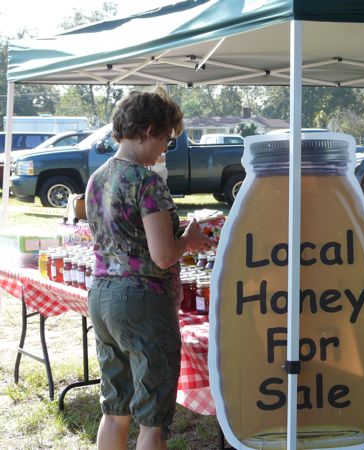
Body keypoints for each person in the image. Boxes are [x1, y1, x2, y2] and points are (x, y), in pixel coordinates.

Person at [85, 87, 213, 450]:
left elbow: (125, 234)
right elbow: (163, 255)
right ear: (149, 130)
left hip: (102, 295)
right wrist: (188, 238)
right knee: (152, 420)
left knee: (115, 408)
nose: (164, 149)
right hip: (142, 301)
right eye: (166, 139)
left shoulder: (98, 178)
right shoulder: (146, 182)